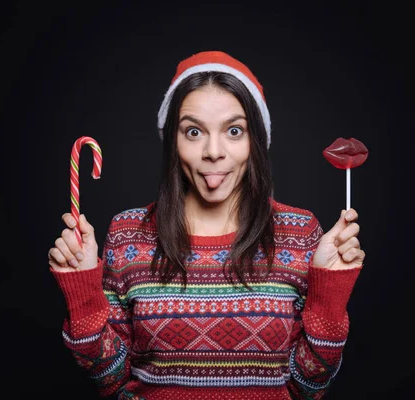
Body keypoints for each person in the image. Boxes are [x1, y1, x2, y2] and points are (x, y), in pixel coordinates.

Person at [48, 50, 365, 399]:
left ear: (255, 141)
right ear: (173, 142)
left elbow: (308, 387)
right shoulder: (128, 233)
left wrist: (329, 297)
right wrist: (82, 296)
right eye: (194, 132)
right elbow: (109, 379)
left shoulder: (300, 232)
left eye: (233, 130)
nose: (214, 151)